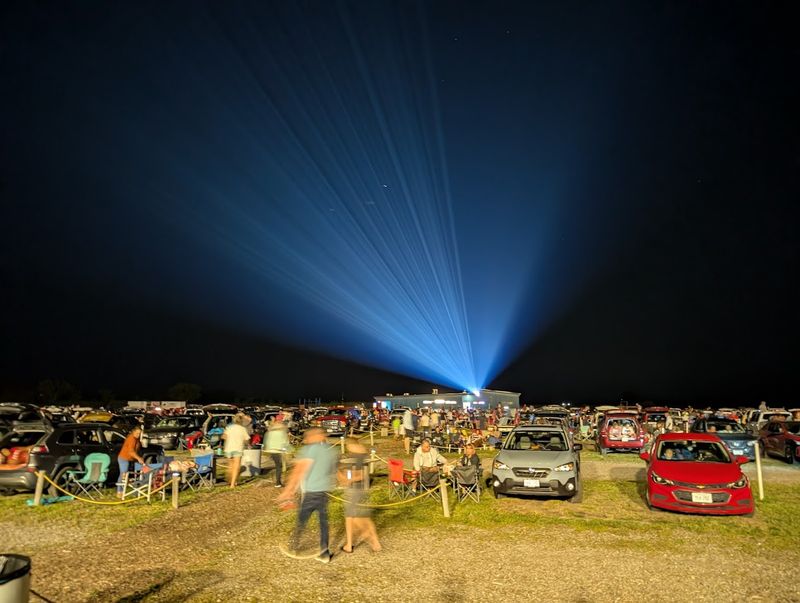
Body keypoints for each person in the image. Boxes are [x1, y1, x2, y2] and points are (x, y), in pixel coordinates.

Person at [277, 428, 339, 563]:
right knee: (323, 523)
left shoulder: (311, 450)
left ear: (315, 437)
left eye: (308, 436)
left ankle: (293, 546)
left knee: (302, 520)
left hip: (311, 491)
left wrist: (288, 490)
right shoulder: (331, 450)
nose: (306, 438)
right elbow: (334, 471)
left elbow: (299, 470)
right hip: (324, 491)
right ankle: (324, 553)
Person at [339, 439, 381, 553]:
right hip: (361, 490)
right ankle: (375, 541)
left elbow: (361, 475)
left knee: (351, 518)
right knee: (364, 518)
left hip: (354, 490)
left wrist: (348, 480)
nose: (348, 448)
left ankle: (351, 544)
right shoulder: (362, 455)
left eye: (349, 446)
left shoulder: (357, 457)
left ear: (353, 445)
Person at [222, 414, 251, 488]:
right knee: (236, 467)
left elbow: (224, 436)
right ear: (241, 421)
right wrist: (247, 444)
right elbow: (247, 439)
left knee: (230, 466)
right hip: (238, 448)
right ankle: (232, 484)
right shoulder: (243, 429)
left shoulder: (229, 427)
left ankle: (230, 480)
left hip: (228, 448)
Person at [117, 426, 146, 497]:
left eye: (140, 434)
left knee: (127, 474)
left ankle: (128, 487)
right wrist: (138, 458)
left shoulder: (137, 439)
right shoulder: (131, 439)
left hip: (130, 459)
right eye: (137, 433)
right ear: (133, 432)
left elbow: (136, 450)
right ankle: (119, 491)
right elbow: (131, 451)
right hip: (124, 458)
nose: (138, 435)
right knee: (123, 474)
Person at [264, 418, 290, 488]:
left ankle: (277, 481)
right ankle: (278, 482)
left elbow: (265, 442)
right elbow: (286, 443)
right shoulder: (282, 433)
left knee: (277, 465)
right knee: (279, 466)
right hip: (279, 450)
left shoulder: (269, 433)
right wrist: (287, 451)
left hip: (271, 450)